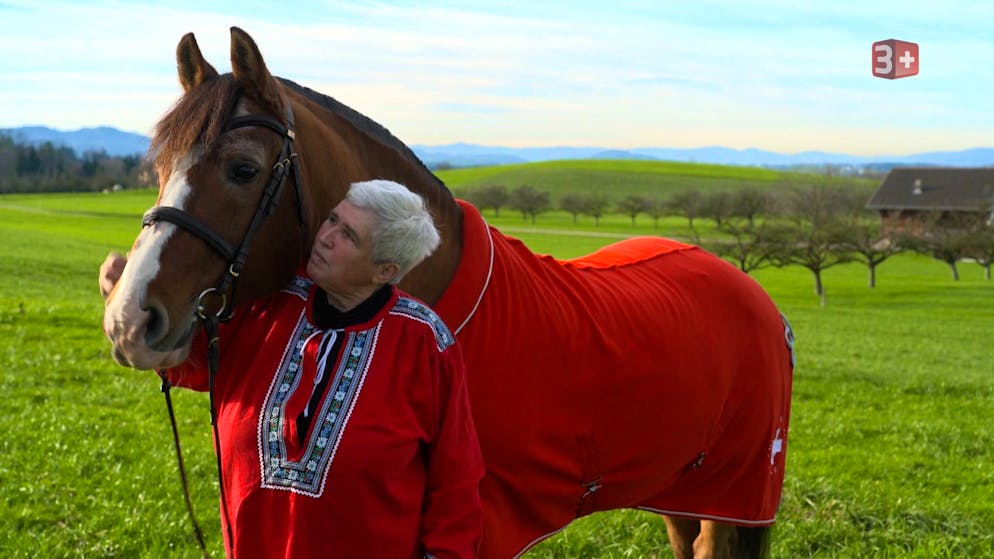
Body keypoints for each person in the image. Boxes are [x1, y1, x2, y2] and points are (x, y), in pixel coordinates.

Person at [100, 179, 484, 558]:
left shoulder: (425, 343)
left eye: (349, 236)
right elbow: (195, 363)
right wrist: (133, 302)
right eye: (333, 219)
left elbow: (456, 483)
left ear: (385, 270)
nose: (326, 236)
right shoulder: (271, 302)